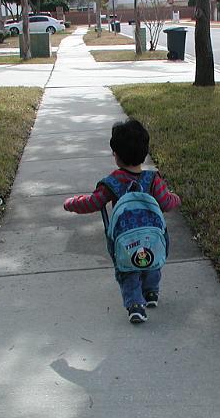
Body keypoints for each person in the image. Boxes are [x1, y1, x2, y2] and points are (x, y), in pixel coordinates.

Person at [63, 119, 181, 323]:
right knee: (153, 262)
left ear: (116, 155)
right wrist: (176, 197)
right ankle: (151, 292)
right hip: (152, 236)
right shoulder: (153, 180)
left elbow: (93, 202)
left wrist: (72, 203)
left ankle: (135, 305)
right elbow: (166, 203)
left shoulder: (113, 181)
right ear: (145, 152)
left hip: (125, 239)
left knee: (127, 269)